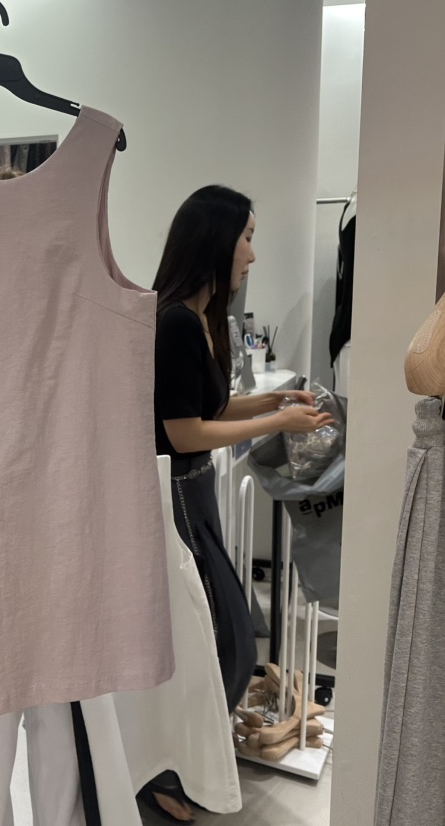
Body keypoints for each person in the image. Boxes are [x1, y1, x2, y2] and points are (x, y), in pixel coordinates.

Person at [144, 185, 334, 822]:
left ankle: (186, 757)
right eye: (247, 237)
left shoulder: (199, 317)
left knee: (223, 639)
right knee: (225, 641)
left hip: (194, 491)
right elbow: (182, 433)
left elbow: (213, 409)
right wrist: (278, 423)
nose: (252, 253)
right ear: (216, 240)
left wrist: (278, 403)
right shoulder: (175, 320)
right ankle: (168, 770)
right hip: (177, 493)